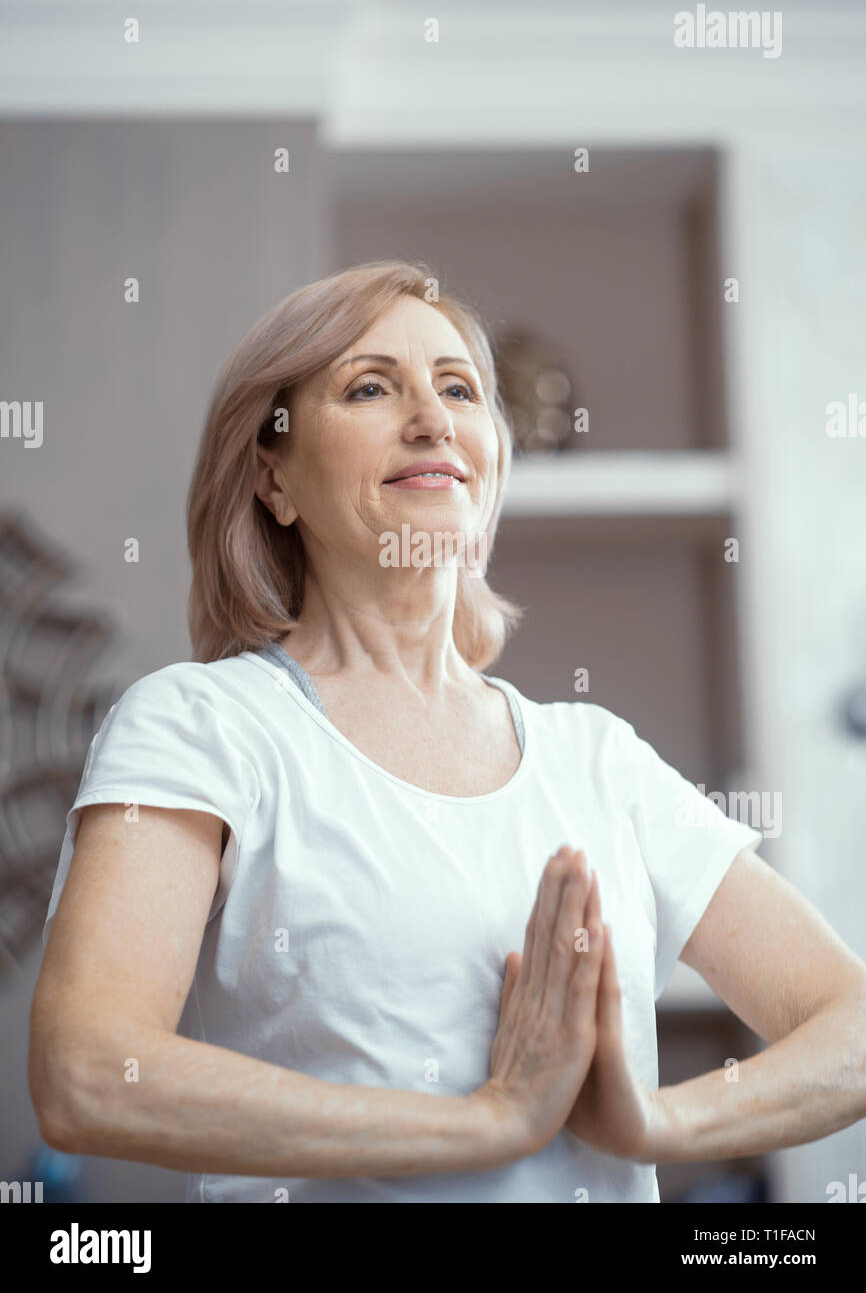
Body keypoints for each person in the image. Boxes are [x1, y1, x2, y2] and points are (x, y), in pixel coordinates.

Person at [30, 260, 866, 1203]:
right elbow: (88, 1072)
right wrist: (486, 1120)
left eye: (459, 388)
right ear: (274, 477)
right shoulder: (200, 726)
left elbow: (851, 1024)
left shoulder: (600, 758)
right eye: (371, 387)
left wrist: (657, 1120)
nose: (432, 417)